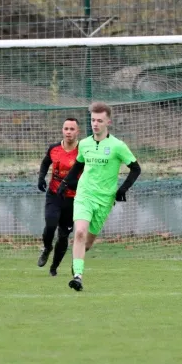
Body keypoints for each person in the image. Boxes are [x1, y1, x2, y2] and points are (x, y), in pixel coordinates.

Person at [57, 102, 141, 291]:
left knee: (87, 242)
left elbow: (136, 168)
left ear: (108, 122)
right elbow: (78, 165)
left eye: (99, 120)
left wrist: (122, 189)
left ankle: (78, 260)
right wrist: (65, 184)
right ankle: (78, 276)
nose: (95, 124)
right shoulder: (85, 144)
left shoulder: (118, 146)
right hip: (84, 195)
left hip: (104, 200)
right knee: (79, 232)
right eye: (93, 120)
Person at [37, 118, 81, 276]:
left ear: (78, 132)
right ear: (62, 130)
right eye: (66, 128)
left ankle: (54, 267)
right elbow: (45, 163)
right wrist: (41, 178)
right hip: (54, 194)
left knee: (63, 235)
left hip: (73, 198)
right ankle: (46, 248)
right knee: (50, 224)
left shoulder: (83, 150)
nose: (68, 132)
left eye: (72, 129)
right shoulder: (54, 148)